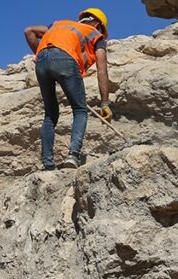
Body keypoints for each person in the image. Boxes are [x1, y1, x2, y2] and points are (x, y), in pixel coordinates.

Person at [24, 8, 112, 171]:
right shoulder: (95, 35)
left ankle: (47, 163)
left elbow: (29, 31)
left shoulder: (59, 24)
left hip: (42, 61)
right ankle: (73, 155)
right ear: (97, 24)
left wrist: (44, 55)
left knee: (50, 114)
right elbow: (102, 70)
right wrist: (105, 103)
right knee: (80, 110)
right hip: (65, 60)